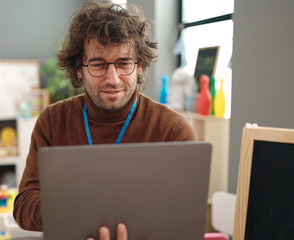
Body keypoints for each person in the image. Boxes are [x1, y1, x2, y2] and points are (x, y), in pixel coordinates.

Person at [13, 1, 196, 239]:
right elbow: (24, 205)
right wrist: (80, 210)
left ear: (139, 67)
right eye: (99, 64)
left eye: (124, 63)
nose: (113, 79)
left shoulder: (173, 130)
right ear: (79, 68)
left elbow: (186, 217)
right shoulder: (52, 121)